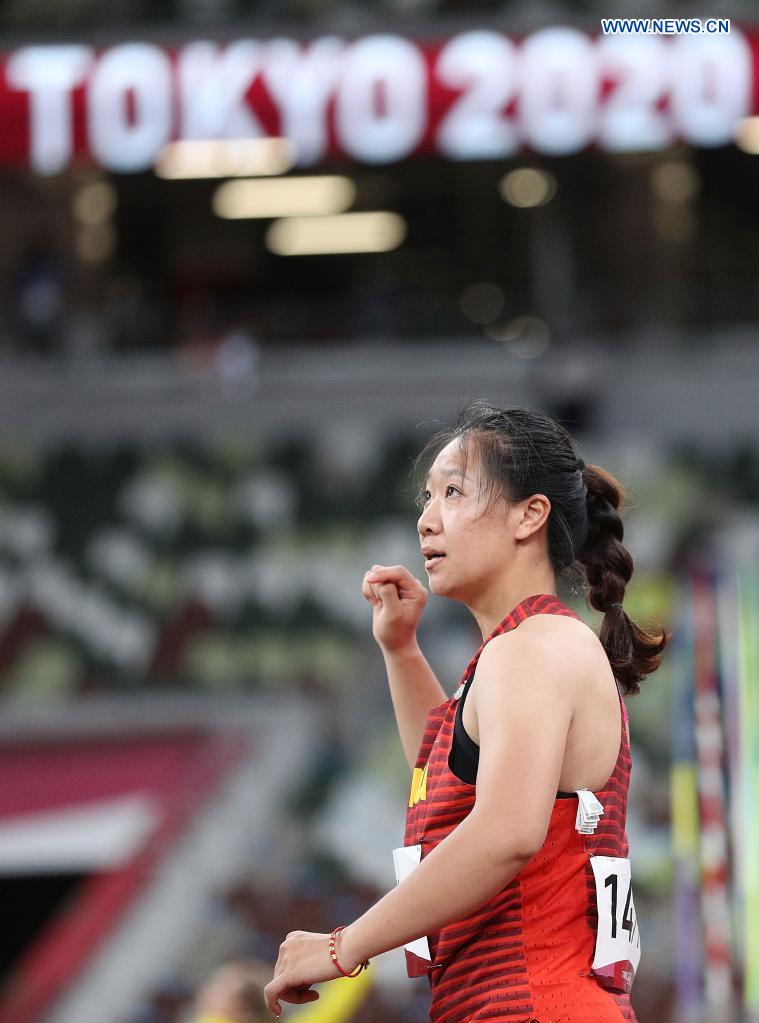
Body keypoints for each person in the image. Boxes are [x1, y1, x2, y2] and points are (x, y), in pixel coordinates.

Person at [264, 402, 669, 1022]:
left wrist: (344, 947)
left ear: (529, 515)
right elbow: (448, 778)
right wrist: (402, 651)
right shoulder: (524, 649)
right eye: (426, 498)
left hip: (535, 1004)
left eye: (452, 492)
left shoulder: (530, 649)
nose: (426, 520)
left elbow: (506, 832)